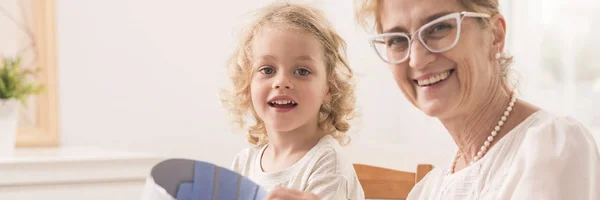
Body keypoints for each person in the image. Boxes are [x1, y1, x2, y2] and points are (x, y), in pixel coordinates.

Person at [352, 0, 600, 199]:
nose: (417, 59)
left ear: (495, 35)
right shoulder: (428, 189)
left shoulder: (553, 147)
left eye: (438, 27)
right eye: (396, 40)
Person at [221, 1, 365, 200]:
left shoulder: (327, 163)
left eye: (302, 71)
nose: (281, 82)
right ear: (247, 84)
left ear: (328, 88)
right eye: (267, 70)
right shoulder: (244, 163)